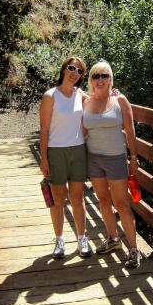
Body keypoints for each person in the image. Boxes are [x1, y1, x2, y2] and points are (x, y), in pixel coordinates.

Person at [82, 60, 141, 268]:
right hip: (94, 158)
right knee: (103, 200)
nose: (100, 80)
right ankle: (114, 240)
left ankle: (133, 249)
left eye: (104, 75)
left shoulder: (120, 101)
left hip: (116, 158)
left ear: (110, 78)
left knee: (122, 204)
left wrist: (133, 158)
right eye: (96, 76)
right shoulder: (86, 102)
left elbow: (131, 131)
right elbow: (81, 131)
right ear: (90, 80)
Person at [39, 56, 93, 259]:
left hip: (78, 150)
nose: (74, 73)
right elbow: (43, 130)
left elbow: (97, 98)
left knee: (78, 197)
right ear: (63, 69)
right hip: (56, 152)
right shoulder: (50, 96)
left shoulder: (79, 94)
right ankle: (59, 240)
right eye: (71, 68)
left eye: (79, 71)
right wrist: (44, 159)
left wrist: (113, 95)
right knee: (58, 199)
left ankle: (82, 239)